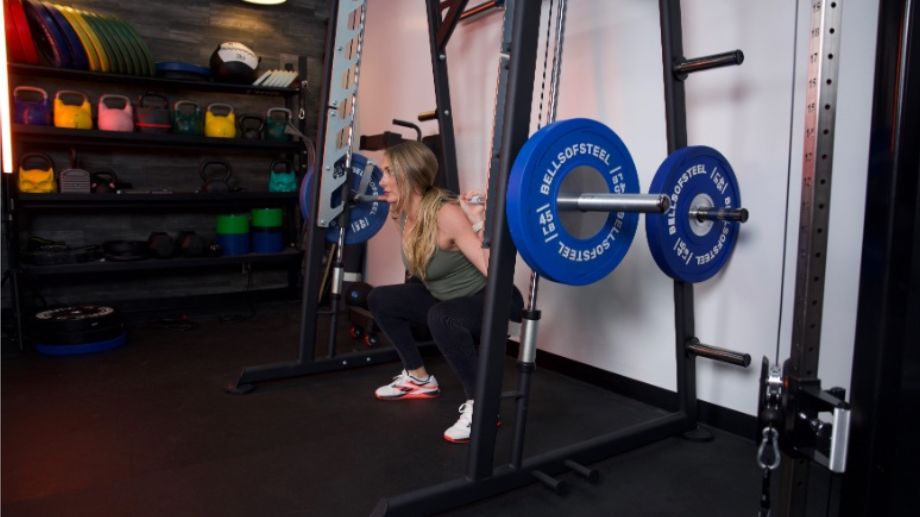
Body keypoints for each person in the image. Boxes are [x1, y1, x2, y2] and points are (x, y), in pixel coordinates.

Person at [366, 141, 523, 443]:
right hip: (444, 297)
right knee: (381, 299)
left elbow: (495, 272)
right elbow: (424, 269)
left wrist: (478, 220)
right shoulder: (401, 214)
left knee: (442, 317)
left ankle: (484, 406)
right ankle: (419, 378)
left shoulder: (447, 213)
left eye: (388, 172)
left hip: (489, 297)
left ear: (410, 176)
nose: (381, 181)